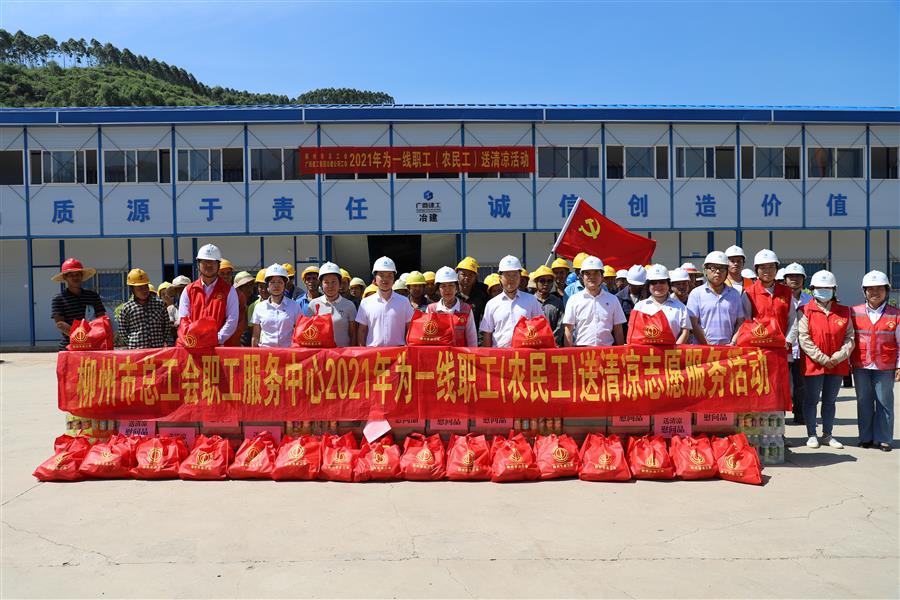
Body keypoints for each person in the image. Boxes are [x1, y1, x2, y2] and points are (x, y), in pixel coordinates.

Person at [799, 270, 854, 449]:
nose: (824, 291)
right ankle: (811, 434)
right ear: (812, 289)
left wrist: (838, 357)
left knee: (830, 401)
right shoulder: (805, 310)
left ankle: (827, 434)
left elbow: (850, 338)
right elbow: (804, 338)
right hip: (814, 364)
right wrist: (822, 358)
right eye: (820, 288)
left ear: (834, 290)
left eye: (828, 288)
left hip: (837, 364)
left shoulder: (844, 311)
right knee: (812, 400)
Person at [851, 270, 898, 452]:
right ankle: (866, 437)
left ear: (887, 290)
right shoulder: (854, 312)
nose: (875, 292)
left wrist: (899, 366)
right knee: (863, 401)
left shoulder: (895, 314)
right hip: (861, 364)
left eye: (880, 288)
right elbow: (849, 339)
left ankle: (884, 439)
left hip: (885, 366)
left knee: (884, 401)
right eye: (871, 289)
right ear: (864, 291)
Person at [177, 244, 239, 346]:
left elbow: (232, 320)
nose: (209, 265)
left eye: (212, 262)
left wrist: (217, 339)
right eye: (205, 262)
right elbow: (183, 319)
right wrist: (193, 340)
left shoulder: (229, 291)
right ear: (198, 264)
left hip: (218, 348)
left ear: (218, 265)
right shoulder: (188, 290)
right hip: (193, 347)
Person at [480, 255, 544, 348]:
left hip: (525, 353)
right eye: (507, 275)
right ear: (500, 278)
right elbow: (487, 334)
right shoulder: (492, 304)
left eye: (514, 275)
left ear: (520, 277)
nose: (511, 279)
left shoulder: (531, 300)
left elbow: (541, 327)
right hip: (500, 354)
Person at [562, 256, 626, 347]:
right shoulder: (573, 300)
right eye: (588, 273)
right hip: (581, 351)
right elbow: (568, 330)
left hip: (606, 351)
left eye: (596, 273)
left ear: (602, 276)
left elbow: (618, 329)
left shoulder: (613, 300)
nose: (592, 277)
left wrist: (621, 352)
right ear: (582, 277)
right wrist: (569, 353)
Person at [742, 249, 798, 354]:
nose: (767, 271)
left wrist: (788, 340)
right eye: (763, 267)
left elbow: (793, 319)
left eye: (771, 267)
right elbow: (747, 322)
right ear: (756, 270)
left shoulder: (786, 292)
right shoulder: (749, 293)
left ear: (777, 269)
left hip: (783, 349)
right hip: (758, 350)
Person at [686, 251, 745, 346]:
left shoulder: (734, 294)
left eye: (722, 268)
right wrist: (707, 345)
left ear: (727, 272)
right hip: (703, 349)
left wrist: (733, 342)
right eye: (713, 268)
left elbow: (740, 322)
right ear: (705, 270)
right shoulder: (696, 294)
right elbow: (693, 323)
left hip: (728, 349)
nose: (718, 272)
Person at [356, 256, 415, 347]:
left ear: (394, 278)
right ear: (375, 278)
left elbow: (409, 328)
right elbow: (362, 331)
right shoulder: (366, 303)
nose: (385, 279)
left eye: (389, 275)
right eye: (381, 275)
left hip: (398, 353)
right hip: (373, 352)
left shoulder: (404, 302)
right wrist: (362, 351)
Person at [50, 258, 106, 351]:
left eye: (78, 274)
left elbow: (101, 319)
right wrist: (81, 338)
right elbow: (60, 324)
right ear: (65, 278)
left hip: (93, 345)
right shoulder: (59, 299)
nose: (75, 277)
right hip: (69, 347)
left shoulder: (93, 296)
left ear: (82, 276)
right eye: (71, 275)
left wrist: (92, 337)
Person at [783, 262, 812, 424]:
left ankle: (800, 414)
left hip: (803, 349)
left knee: (802, 385)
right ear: (785, 279)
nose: (794, 279)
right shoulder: (780, 298)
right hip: (784, 348)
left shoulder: (810, 300)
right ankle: (780, 415)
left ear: (803, 279)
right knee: (783, 384)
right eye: (791, 276)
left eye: (798, 276)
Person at [631, 264, 690, 344]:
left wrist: (674, 350)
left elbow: (685, 332)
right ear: (648, 285)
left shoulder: (680, 307)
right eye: (654, 282)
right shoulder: (639, 307)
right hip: (647, 351)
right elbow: (635, 333)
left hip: (673, 351)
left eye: (662, 282)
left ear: (668, 284)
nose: (658, 285)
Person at [117, 268, 170, 349]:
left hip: (157, 350)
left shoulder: (160, 305)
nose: (144, 290)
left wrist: (163, 340)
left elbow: (166, 325)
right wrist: (133, 342)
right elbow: (122, 330)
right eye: (140, 288)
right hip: (137, 352)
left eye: (146, 287)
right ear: (132, 289)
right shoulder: (127, 308)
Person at [307, 262, 358, 347]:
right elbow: (309, 333)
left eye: (334, 282)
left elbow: (353, 334)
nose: (330, 286)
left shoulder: (349, 305)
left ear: (339, 283)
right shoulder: (313, 305)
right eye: (326, 282)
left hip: (343, 354)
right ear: (321, 284)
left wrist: (351, 352)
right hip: (321, 353)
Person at [250, 264, 301, 348]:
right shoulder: (259, 307)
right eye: (272, 282)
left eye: (280, 282)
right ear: (267, 285)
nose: (276, 286)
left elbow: (299, 333)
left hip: (288, 352)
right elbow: (255, 337)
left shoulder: (294, 306)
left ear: (285, 285)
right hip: (266, 353)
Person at [426, 266, 477, 347]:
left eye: (451, 285)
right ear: (438, 289)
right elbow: (427, 336)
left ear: (456, 287)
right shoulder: (431, 309)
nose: (447, 290)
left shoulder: (466, 309)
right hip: (438, 354)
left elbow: (472, 339)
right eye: (443, 286)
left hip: (460, 354)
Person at [531, 265, 565, 347]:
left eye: (549, 281)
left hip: (553, 347)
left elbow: (560, 326)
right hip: (533, 346)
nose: (546, 284)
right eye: (542, 281)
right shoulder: (529, 301)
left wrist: (550, 341)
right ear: (536, 282)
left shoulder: (558, 302)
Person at [616, 264, 648, 338]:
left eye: (639, 285)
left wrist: (645, 300)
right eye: (634, 285)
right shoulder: (619, 298)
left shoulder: (649, 297)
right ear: (628, 282)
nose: (637, 287)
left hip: (644, 338)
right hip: (626, 338)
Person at [231, 270, 255, 346]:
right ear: (238, 288)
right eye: (246, 285)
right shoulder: (232, 304)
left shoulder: (255, 303)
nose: (249, 288)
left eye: (251, 285)